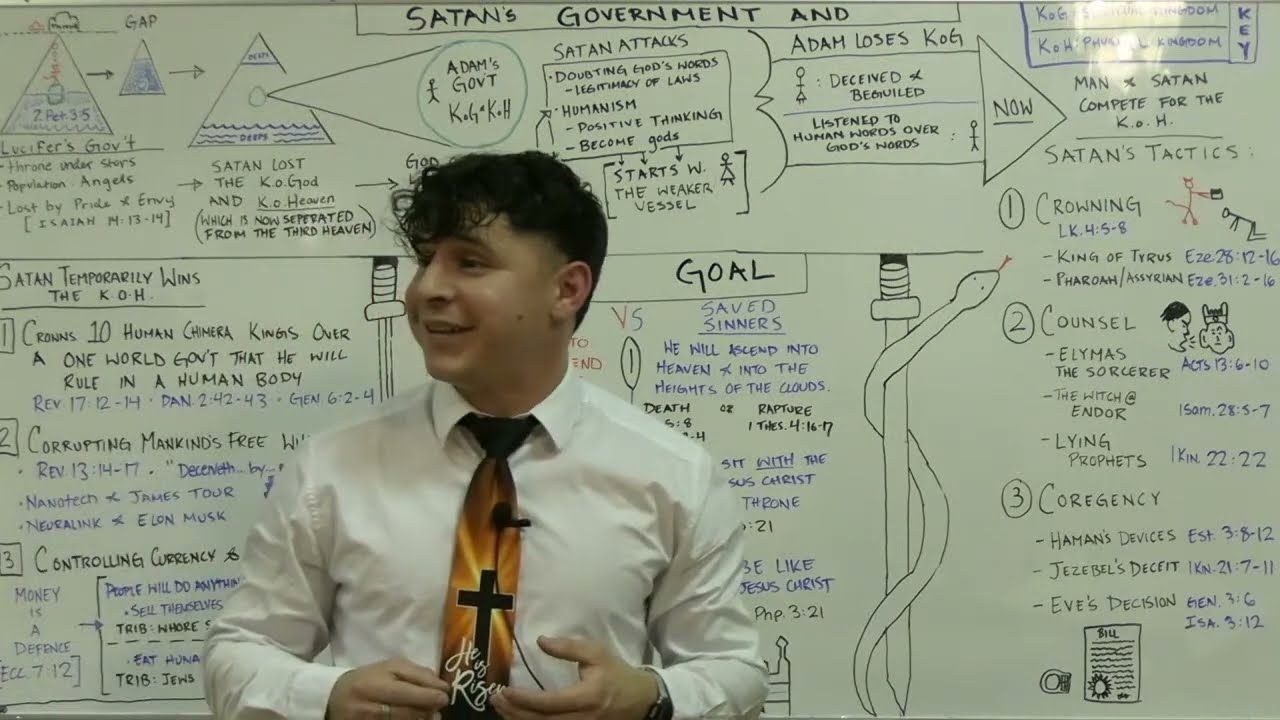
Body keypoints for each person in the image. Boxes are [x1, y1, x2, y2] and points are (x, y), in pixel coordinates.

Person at [201, 150, 768, 720]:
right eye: (425, 261)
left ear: (567, 290)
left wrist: (652, 697)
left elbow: (733, 669)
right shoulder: (330, 467)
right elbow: (239, 652)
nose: (427, 289)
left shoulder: (672, 475)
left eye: (469, 263)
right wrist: (326, 697)